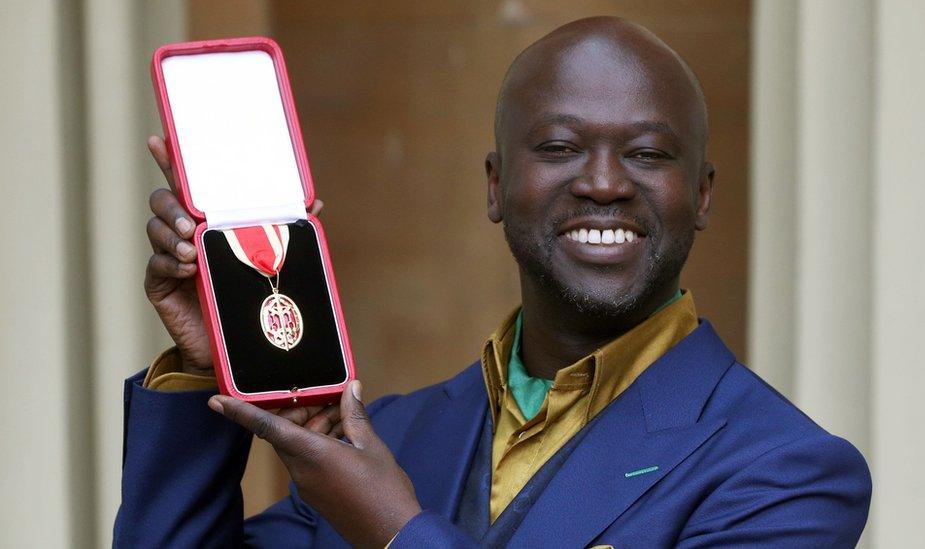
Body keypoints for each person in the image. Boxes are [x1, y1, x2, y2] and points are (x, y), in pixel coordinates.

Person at [115, 16, 871, 548]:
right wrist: (200, 369)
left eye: (646, 153)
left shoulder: (785, 473)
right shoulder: (386, 436)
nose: (604, 183)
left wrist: (395, 533)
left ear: (702, 195)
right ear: (496, 185)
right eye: (560, 145)